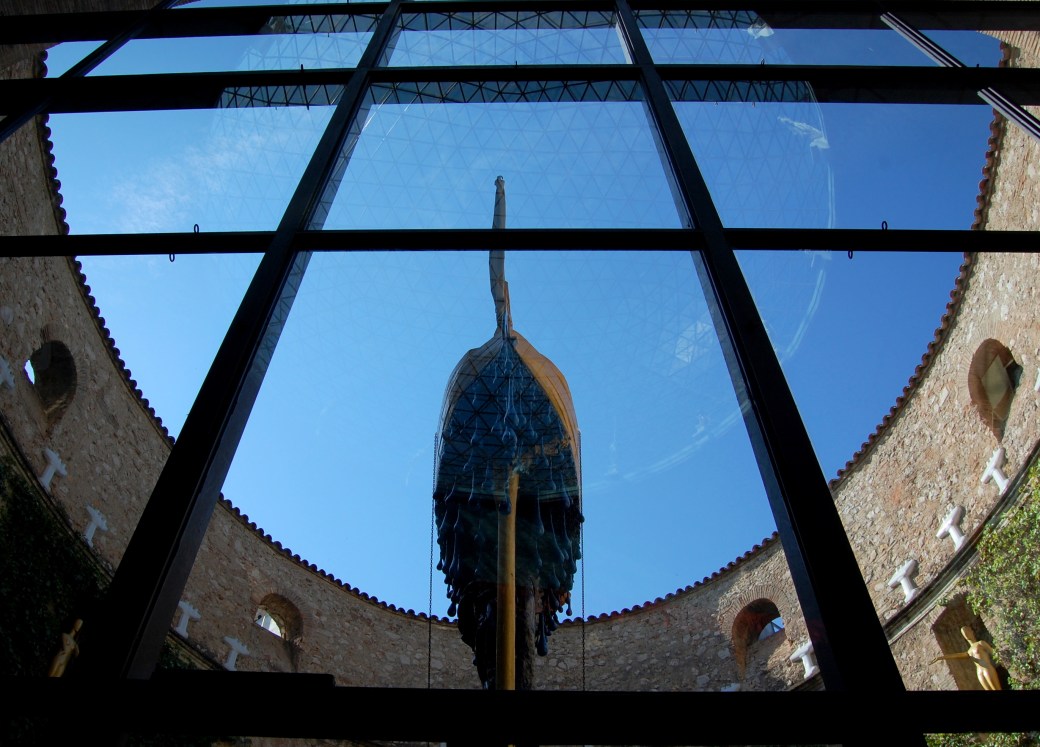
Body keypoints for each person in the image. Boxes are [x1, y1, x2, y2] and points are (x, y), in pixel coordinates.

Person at [930, 625, 1001, 690]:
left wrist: (1001, 660)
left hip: (986, 667)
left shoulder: (980, 643)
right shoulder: (969, 651)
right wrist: (941, 657)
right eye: (964, 633)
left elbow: (993, 652)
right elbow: (957, 655)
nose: (966, 634)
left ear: (971, 632)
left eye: (967, 631)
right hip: (979, 672)